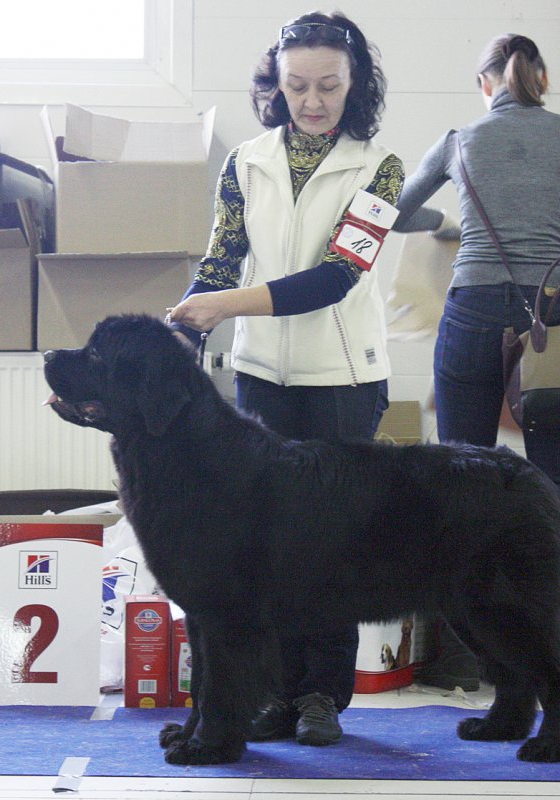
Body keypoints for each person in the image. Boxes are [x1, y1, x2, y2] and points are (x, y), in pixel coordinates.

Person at [167, 11, 404, 745]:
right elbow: (219, 263)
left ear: (356, 83)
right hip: (261, 377)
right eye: (297, 85)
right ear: (275, 83)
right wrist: (179, 325)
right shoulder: (245, 162)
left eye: (328, 85)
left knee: (331, 547)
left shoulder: (381, 167)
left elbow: (336, 278)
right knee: (263, 548)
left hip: (345, 380)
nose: (312, 100)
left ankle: (323, 696)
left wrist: (224, 306)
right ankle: (273, 694)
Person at [392, 33, 560, 697]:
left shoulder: (459, 140)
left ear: (484, 85)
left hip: (471, 313)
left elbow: (395, 212)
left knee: (461, 482)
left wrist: (446, 222)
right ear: (542, 79)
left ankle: (465, 659)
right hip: (553, 320)